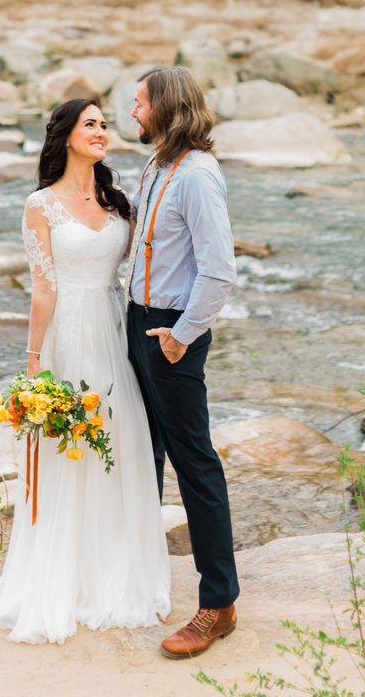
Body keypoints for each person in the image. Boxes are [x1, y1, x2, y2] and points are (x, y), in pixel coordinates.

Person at [0, 98, 171, 644]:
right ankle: (66, 579)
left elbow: (145, 263)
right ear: (66, 135)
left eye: (105, 124)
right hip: (70, 334)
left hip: (117, 332)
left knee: (120, 443)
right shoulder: (40, 205)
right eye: (90, 124)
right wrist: (33, 362)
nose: (101, 132)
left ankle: (117, 572)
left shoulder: (119, 201)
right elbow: (43, 288)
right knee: (72, 446)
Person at [127, 65, 239, 659]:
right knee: (140, 456)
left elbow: (220, 270)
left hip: (171, 332)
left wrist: (180, 335)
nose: (133, 112)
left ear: (167, 109)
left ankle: (217, 604)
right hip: (135, 323)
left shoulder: (198, 176)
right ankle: (140, 584)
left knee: (195, 464)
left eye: (140, 103)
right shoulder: (154, 165)